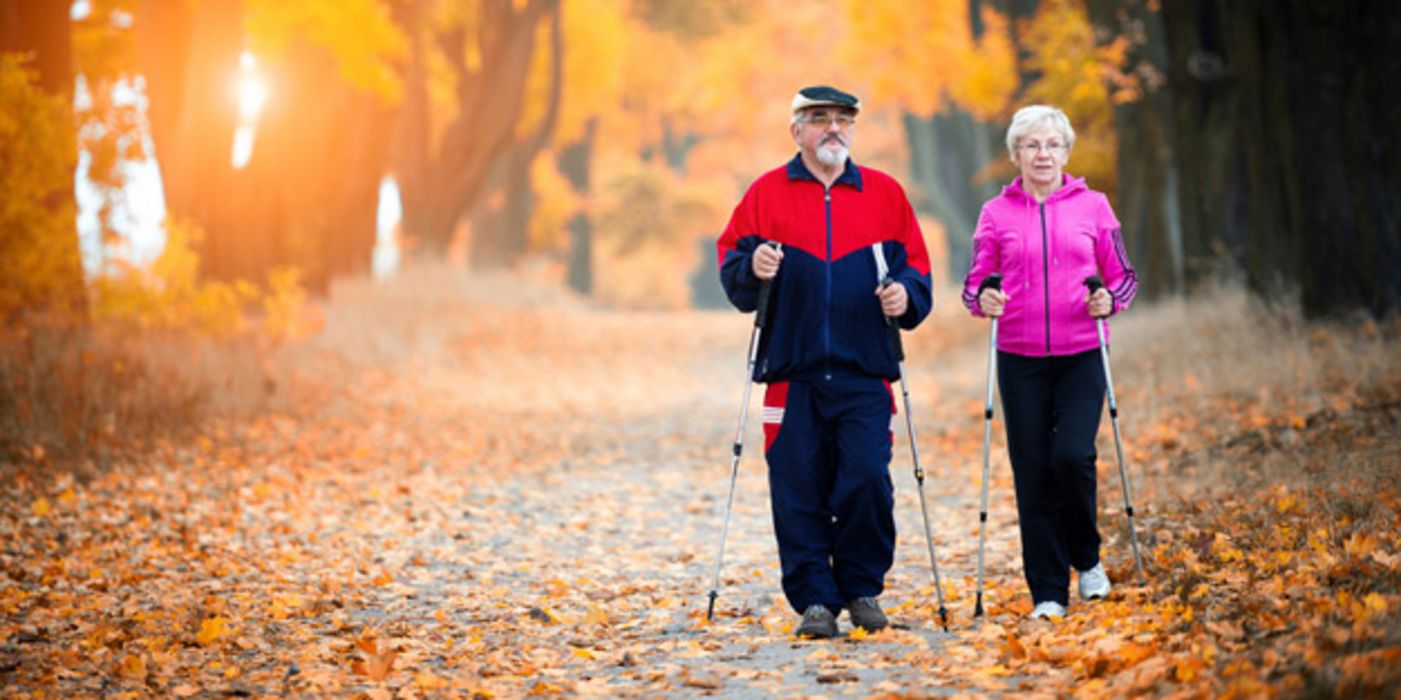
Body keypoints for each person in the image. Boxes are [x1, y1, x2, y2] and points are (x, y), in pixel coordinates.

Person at [716, 85, 933, 638]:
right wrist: (754, 265)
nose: (832, 129)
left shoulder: (884, 194)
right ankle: (815, 600)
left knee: (865, 481)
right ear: (797, 131)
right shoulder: (766, 193)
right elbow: (732, 267)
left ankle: (861, 590)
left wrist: (906, 296)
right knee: (797, 488)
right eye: (819, 119)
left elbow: (917, 270)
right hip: (793, 372)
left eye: (842, 119)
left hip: (865, 371)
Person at [962, 104, 1138, 620]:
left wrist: (1110, 300)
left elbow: (1123, 276)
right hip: (1018, 358)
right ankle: (1047, 591)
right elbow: (975, 283)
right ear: (1015, 154)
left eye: (1052, 145)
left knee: (1072, 458)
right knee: (1032, 471)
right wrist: (983, 300)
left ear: (1066, 151)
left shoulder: (1095, 207)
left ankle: (1087, 560)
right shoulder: (996, 214)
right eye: (1032, 145)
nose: (1043, 154)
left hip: (1083, 351)